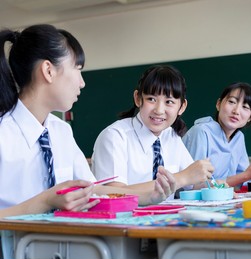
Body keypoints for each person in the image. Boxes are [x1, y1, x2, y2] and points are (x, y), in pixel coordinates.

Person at [0, 24, 176, 212]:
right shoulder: (4, 133)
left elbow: (93, 190)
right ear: (48, 71)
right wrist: (45, 201)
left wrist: (149, 196)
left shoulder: (61, 131)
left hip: (64, 240)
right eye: (77, 69)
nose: (82, 83)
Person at [92, 65, 215, 200]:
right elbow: (114, 195)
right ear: (138, 98)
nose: (159, 110)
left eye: (169, 102)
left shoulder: (171, 136)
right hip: (124, 219)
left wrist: (214, 186)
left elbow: (192, 184)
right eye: (151, 99)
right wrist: (182, 177)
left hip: (165, 219)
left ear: (182, 107)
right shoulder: (115, 136)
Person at [182, 82, 251, 188]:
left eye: (245, 107)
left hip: (221, 201)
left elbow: (242, 179)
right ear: (218, 104)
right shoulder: (201, 132)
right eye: (232, 102)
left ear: (250, 117)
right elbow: (193, 186)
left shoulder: (238, 138)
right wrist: (248, 174)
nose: (236, 111)